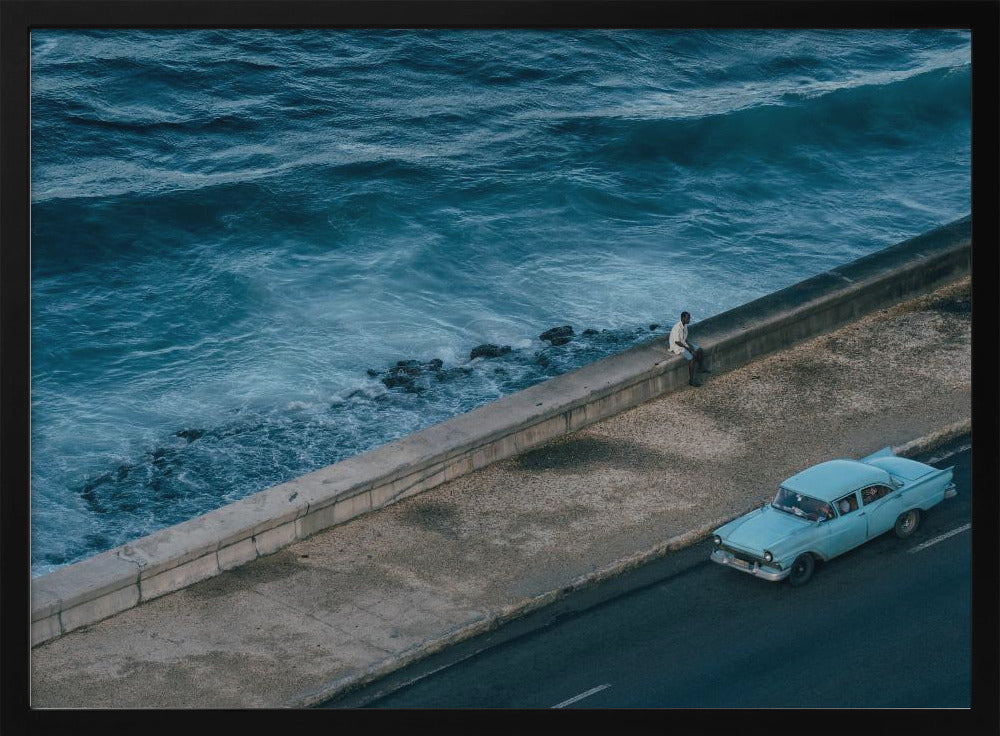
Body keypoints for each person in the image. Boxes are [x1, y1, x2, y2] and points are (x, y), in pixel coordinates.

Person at [668, 311, 710, 386]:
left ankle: (701, 368)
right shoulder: (677, 328)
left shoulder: (685, 326)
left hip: (683, 343)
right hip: (677, 347)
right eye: (688, 318)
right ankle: (691, 380)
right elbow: (677, 342)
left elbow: (685, 339)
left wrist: (691, 346)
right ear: (683, 318)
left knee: (699, 350)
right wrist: (690, 349)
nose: (689, 320)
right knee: (691, 358)